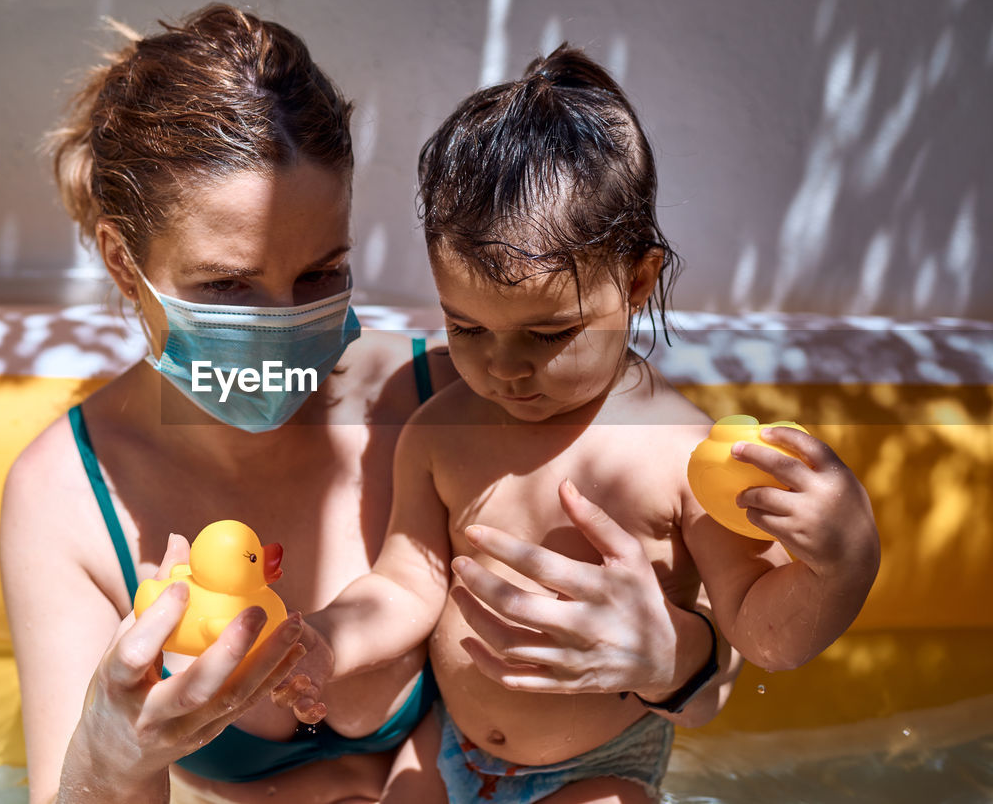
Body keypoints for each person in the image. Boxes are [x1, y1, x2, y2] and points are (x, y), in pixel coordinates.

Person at [0, 5, 736, 804]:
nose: (282, 321)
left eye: (320, 273)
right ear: (121, 259)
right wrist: (112, 755)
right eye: (229, 286)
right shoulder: (66, 500)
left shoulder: (460, 397)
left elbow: (702, 684)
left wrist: (682, 658)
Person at [304, 44, 881, 803]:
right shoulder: (442, 433)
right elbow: (408, 584)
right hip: (448, 747)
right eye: (467, 328)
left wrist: (844, 562)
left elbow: (762, 638)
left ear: (638, 279)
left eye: (548, 335)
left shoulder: (680, 458)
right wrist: (321, 643)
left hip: (599, 768)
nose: (504, 367)